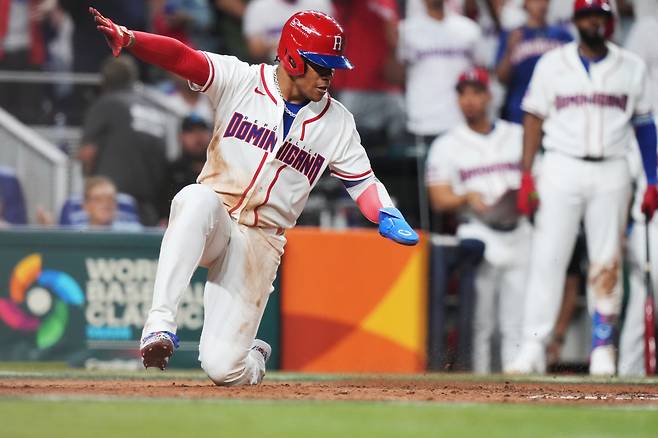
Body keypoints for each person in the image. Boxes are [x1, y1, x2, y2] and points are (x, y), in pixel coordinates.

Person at [90, 7, 419, 386]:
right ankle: (159, 323)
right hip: (216, 216)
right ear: (294, 58)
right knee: (193, 198)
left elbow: (363, 184)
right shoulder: (242, 80)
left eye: (332, 67)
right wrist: (132, 38)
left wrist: (385, 213)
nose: (330, 76)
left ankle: (253, 357)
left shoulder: (338, 121)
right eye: (321, 65)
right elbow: (184, 58)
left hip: (261, 240)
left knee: (222, 369)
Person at [510, 0, 658, 376]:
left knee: (606, 260)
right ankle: (533, 345)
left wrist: (653, 179)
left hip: (612, 168)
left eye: (600, 15)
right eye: (587, 15)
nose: (593, 21)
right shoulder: (552, 63)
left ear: (609, 21)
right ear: (575, 20)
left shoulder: (632, 66)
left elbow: (644, 126)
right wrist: (527, 175)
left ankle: (603, 348)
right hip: (561, 165)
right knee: (548, 258)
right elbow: (533, 117)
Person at [426, 68, 531, 373]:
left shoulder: (517, 135)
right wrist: (465, 197)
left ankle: (518, 386)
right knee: (483, 322)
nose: (469, 100)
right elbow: (439, 198)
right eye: (463, 93)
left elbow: (537, 181)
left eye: (475, 92)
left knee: (516, 321)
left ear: (489, 96)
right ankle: (481, 384)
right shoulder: (446, 145)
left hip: (520, 230)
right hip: (479, 231)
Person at [77, 55, 168, 226]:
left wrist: (90, 182)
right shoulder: (154, 108)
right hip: (149, 206)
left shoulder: (106, 104)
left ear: (104, 81)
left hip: (112, 205)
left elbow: (87, 153)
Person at [398, 0, 482, 146]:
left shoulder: (468, 29)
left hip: (462, 120)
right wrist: (392, 47)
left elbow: (481, 74)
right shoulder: (406, 30)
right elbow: (394, 76)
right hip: (424, 122)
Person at [330, 0, 406, 149]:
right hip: (355, 85)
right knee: (346, 144)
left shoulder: (389, 2)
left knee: (398, 143)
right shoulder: (354, 4)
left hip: (387, 85)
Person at [495, 0, 572, 124]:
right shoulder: (512, 35)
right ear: (525, 4)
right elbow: (501, 78)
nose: (540, 5)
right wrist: (510, 50)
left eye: (544, 1)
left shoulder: (562, 35)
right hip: (518, 112)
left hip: (556, 111)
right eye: (535, 1)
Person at [242, 0, 331, 62]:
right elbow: (255, 50)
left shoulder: (319, 3)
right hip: (273, 68)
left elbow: (331, 42)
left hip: (313, 66)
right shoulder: (259, 6)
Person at [161, 113, 211, 219]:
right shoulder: (172, 171)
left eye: (202, 130)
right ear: (180, 137)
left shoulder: (218, 169)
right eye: (191, 131)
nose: (198, 136)